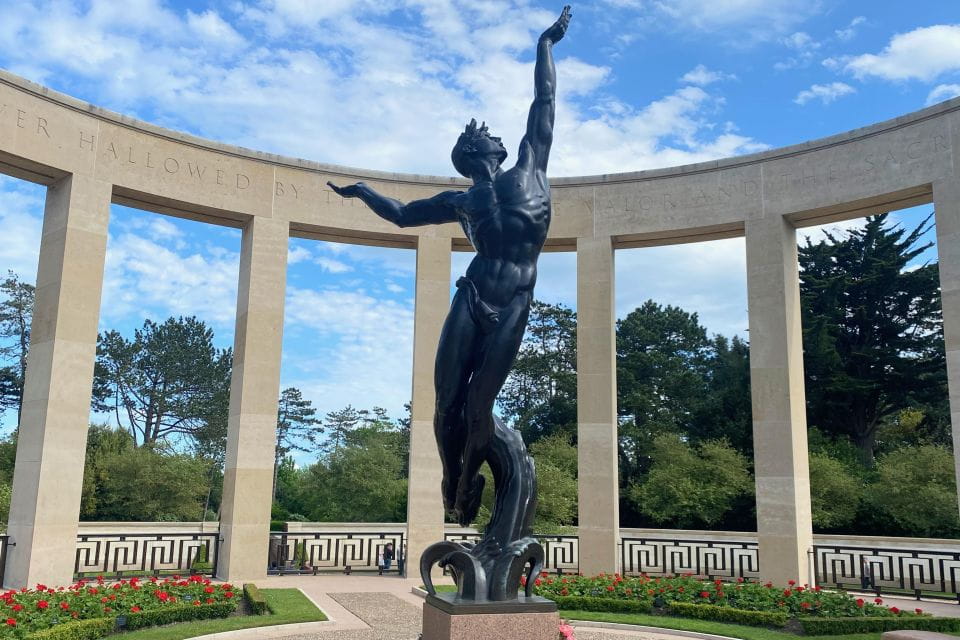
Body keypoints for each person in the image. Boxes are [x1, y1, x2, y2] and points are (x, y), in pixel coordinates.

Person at [329, 6, 571, 527]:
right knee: (445, 403)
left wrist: (545, 45)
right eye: (482, 137)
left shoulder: (532, 164)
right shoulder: (460, 201)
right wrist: (363, 191)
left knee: (480, 404)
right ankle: (449, 479)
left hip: (513, 302)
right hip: (472, 296)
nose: (493, 137)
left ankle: (468, 484)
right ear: (473, 153)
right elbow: (400, 216)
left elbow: (544, 100)